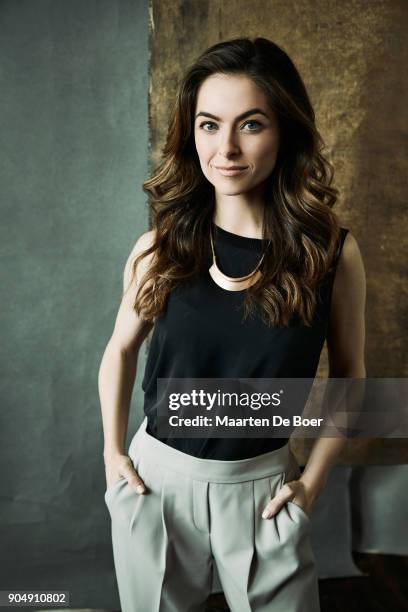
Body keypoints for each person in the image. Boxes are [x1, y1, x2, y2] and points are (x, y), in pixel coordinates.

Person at [98, 37, 366, 612]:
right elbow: (119, 351)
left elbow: (352, 376)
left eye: (250, 125)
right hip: (157, 482)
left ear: (284, 132)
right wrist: (111, 453)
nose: (226, 149)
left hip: (265, 488)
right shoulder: (159, 249)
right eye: (208, 124)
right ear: (190, 133)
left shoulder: (331, 254)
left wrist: (311, 486)